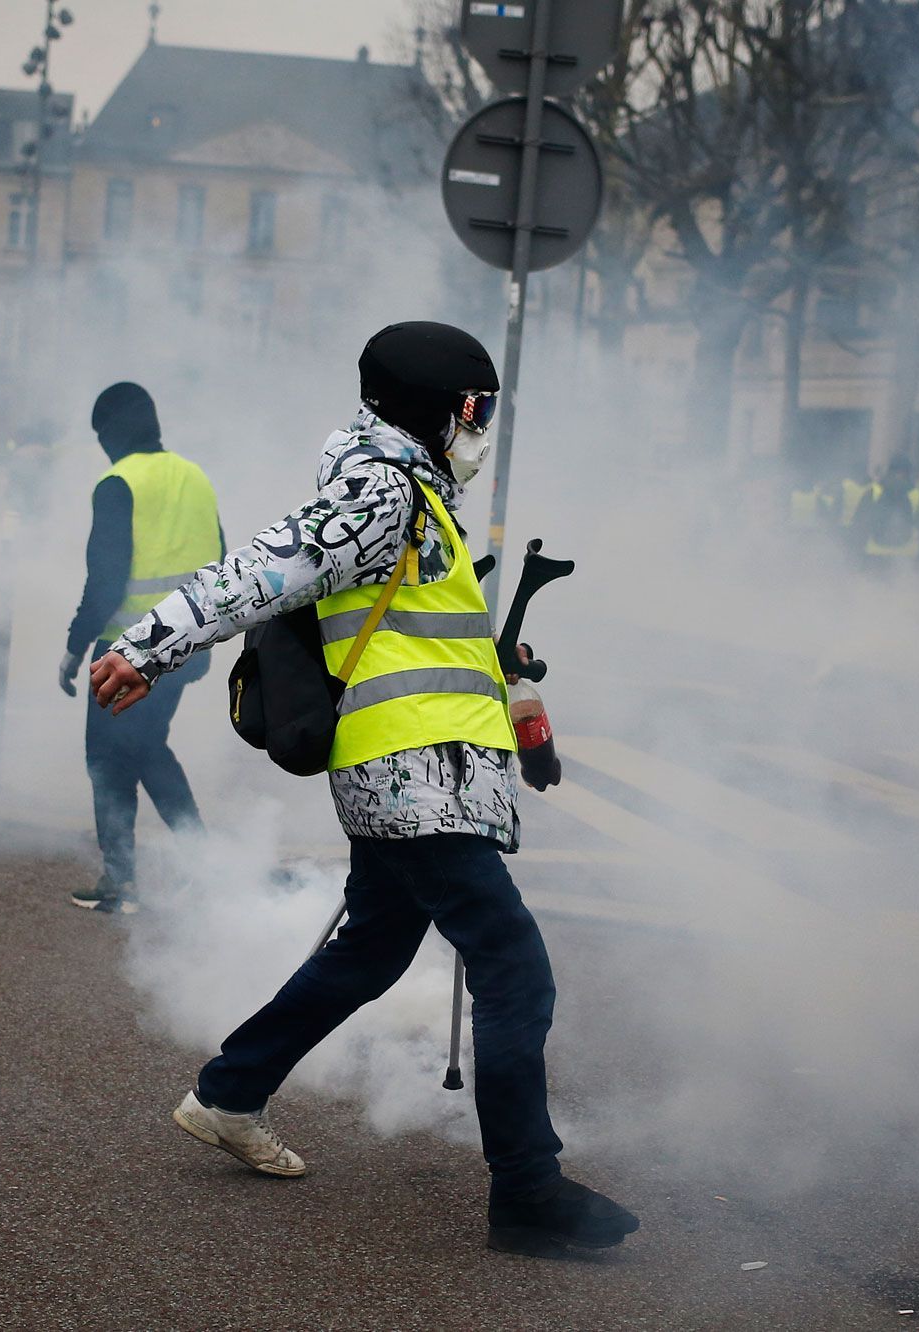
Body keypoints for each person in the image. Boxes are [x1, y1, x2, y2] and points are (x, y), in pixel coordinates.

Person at [83, 323, 640, 1258]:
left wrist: (514, 703)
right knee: (515, 972)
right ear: (432, 408)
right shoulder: (379, 490)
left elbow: (423, 641)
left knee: (371, 951)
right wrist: (148, 645)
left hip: (429, 770)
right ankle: (529, 1192)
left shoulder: (419, 493)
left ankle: (229, 1092)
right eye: (473, 409)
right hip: (411, 775)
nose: (481, 426)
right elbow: (254, 573)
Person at [55, 382, 222, 914]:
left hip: (125, 652)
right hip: (190, 648)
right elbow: (221, 557)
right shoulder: (195, 477)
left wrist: (75, 647)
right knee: (143, 746)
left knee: (109, 755)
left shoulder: (117, 482)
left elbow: (105, 579)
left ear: (110, 433)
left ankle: (132, 877)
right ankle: (187, 867)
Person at [849, 453, 919, 568]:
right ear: (909, 473)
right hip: (907, 557)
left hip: (874, 555)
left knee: (871, 585)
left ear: (889, 470)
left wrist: (856, 553)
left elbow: (860, 523)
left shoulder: (872, 492)